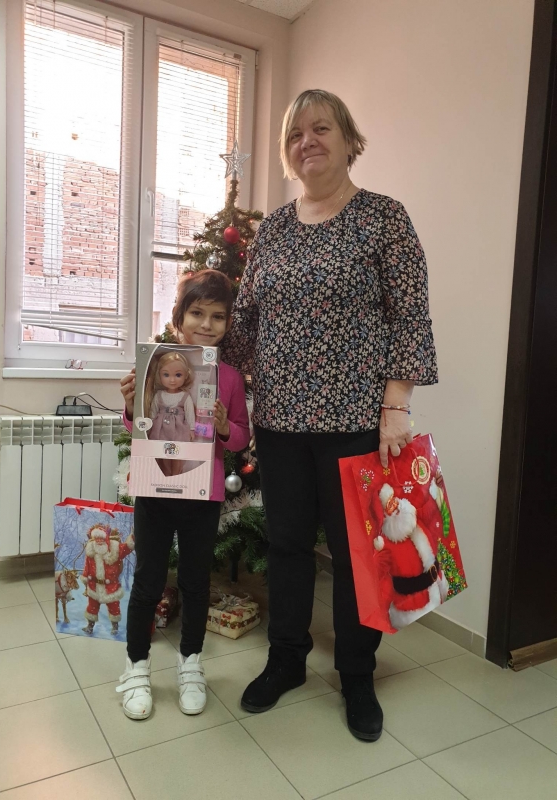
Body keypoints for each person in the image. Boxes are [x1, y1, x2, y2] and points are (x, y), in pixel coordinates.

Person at [221, 89, 438, 742]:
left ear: (348, 141)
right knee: (288, 545)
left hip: (356, 421)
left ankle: (356, 674)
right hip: (280, 421)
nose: (307, 141)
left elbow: (409, 316)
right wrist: (177, 370)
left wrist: (396, 405)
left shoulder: (383, 218)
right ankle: (286, 659)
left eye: (321, 129)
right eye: (295, 134)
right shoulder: (274, 230)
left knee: (355, 555)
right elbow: (243, 321)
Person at [117, 269, 250, 720]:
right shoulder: (155, 366)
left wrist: (225, 426)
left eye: (218, 316)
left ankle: (190, 663)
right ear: (178, 318)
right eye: (197, 313)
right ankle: (136, 666)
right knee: (148, 581)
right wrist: (130, 405)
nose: (207, 324)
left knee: (195, 582)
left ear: (228, 322)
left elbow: (240, 438)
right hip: (155, 490)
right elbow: (136, 427)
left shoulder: (229, 378)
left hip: (202, 492)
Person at [144, 350, 196, 476]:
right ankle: (164, 475)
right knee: (162, 455)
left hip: (179, 431)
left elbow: (190, 413)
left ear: (186, 375)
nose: (172, 380)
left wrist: (192, 429)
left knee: (178, 455)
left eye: (178, 375)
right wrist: (148, 426)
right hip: (160, 430)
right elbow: (153, 411)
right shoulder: (159, 395)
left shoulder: (185, 396)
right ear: (159, 375)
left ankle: (176, 475)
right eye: (166, 375)